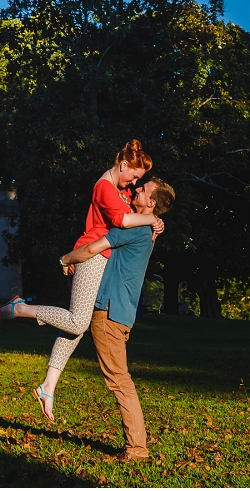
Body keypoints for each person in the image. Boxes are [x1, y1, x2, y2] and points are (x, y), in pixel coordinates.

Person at [0, 140, 163, 422]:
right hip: (92, 255)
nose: (134, 184)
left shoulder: (122, 188)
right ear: (123, 166)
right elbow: (121, 221)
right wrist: (152, 219)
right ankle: (20, 309)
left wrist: (155, 221)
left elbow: (139, 212)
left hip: (105, 260)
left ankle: (48, 387)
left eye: (139, 181)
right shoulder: (104, 187)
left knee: (76, 326)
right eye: (134, 176)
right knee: (78, 322)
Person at [64, 175, 176, 461]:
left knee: (119, 380)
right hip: (118, 312)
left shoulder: (136, 230)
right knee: (119, 378)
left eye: (143, 189)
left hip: (109, 313)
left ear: (151, 203)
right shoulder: (146, 228)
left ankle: (137, 448)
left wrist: (65, 259)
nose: (136, 189)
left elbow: (92, 248)